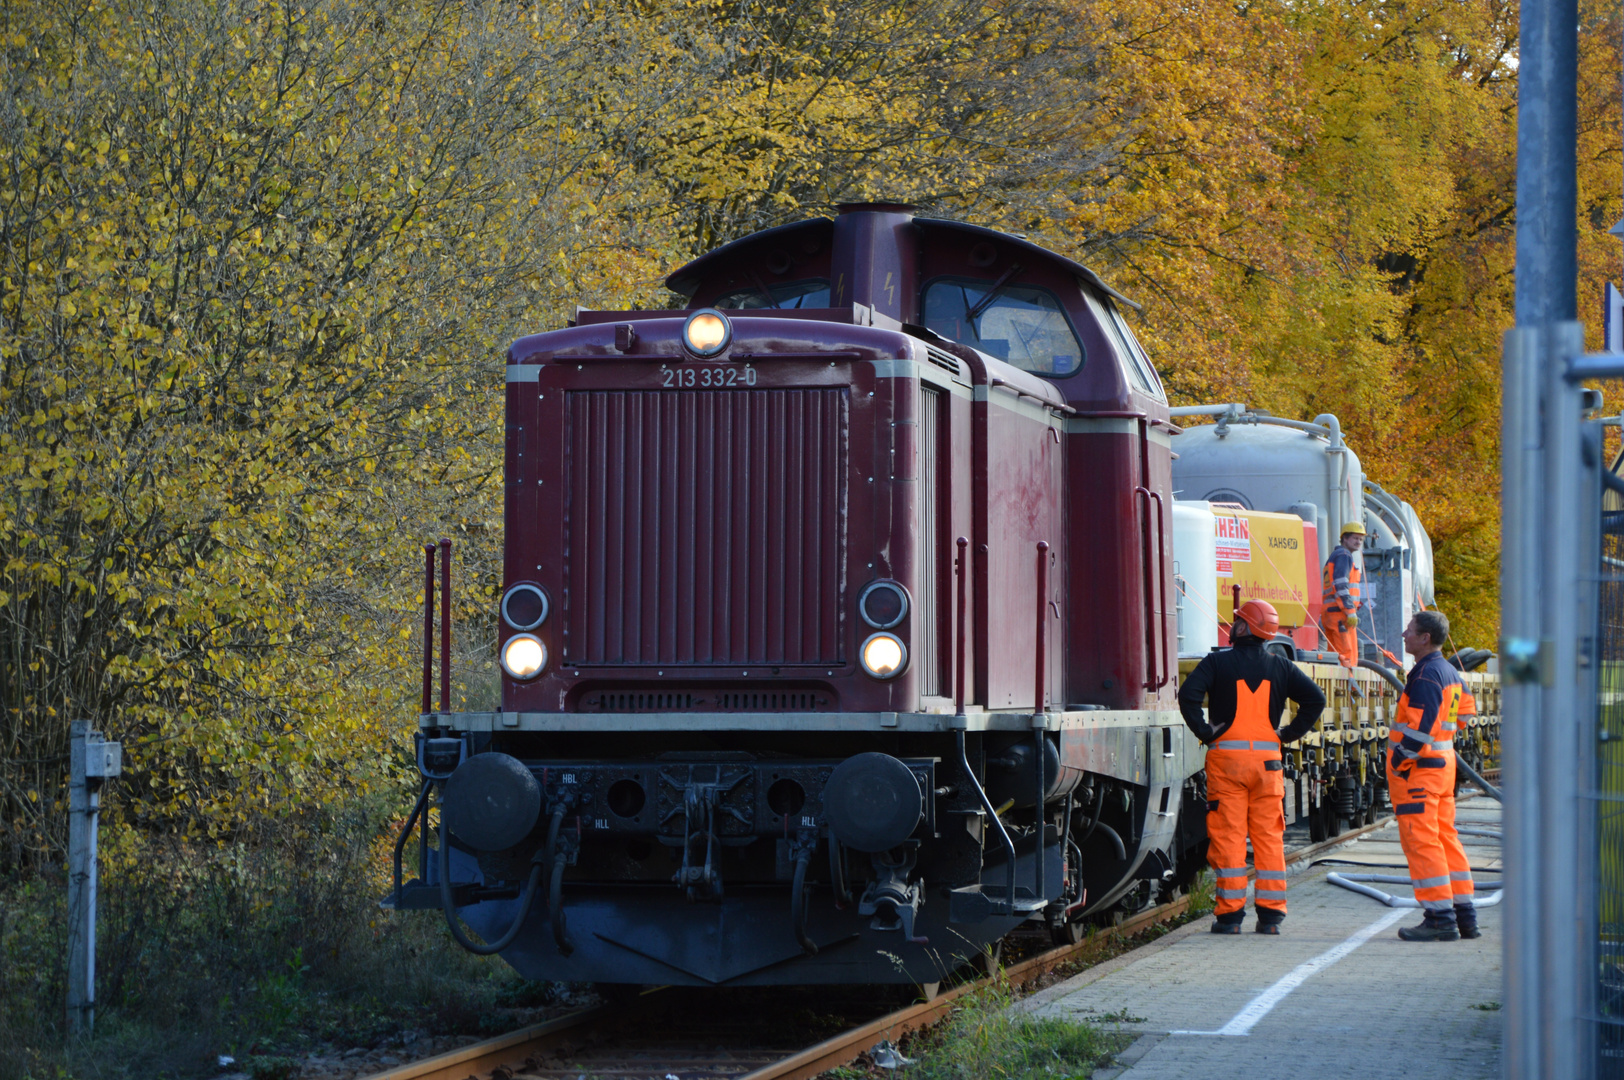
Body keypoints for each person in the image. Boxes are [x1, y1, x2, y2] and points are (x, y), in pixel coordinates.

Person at [1179, 600, 1326, 934]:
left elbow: (1187, 696)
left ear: (1244, 628)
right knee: (1269, 838)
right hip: (1267, 767)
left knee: (1229, 838)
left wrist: (1205, 731)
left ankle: (1230, 918)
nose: (1233, 626)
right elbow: (1316, 699)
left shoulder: (1217, 663)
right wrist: (1288, 734)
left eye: (1237, 621)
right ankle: (1271, 916)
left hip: (1227, 765)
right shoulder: (1282, 667)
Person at [1389, 610, 1478, 941]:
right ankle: (1464, 914)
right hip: (1443, 767)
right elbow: (1467, 713)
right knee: (1445, 838)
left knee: (1422, 841)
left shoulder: (1425, 675)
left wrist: (1400, 760)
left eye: (1409, 630)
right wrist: (1443, 738)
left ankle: (1439, 918)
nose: (1403, 634)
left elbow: (1421, 727)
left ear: (1424, 638)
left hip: (1420, 773)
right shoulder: (1450, 672)